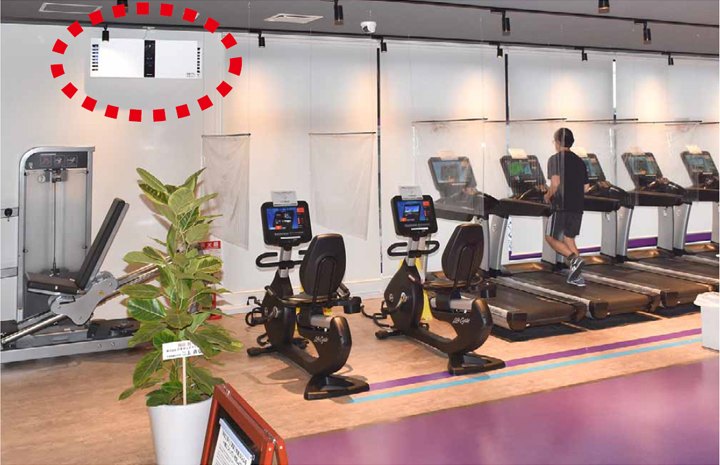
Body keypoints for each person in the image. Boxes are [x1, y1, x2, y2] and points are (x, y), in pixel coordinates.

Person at [544, 128, 589, 287]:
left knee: (550, 238)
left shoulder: (555, 159)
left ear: (557, 142)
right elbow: (586, 188)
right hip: (577, 206)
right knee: (569, 239)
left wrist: (547, 196)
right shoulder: (580, 161)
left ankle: (574, 259)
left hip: (560, 205)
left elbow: (555, 183)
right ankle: (577, 276)